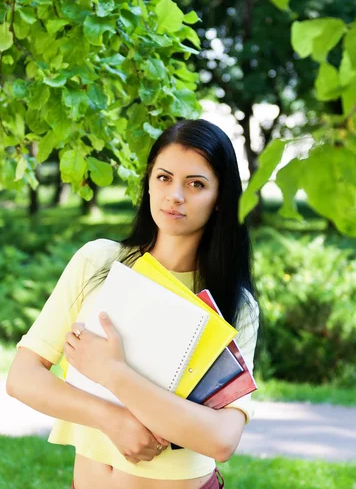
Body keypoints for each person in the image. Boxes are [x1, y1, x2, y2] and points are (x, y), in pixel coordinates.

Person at [7, 119, 260, 489]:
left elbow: (222, 439)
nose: (175, 195)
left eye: (196, 184)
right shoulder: (98, 262)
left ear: (220, 199)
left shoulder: (234, 303)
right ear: (148, 182)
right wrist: (111, 418)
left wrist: (114, 373)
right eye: (163, 177)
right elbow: (22, 378)